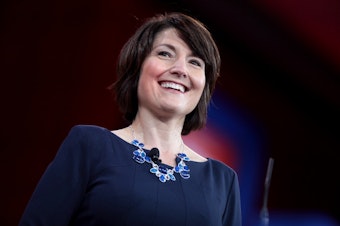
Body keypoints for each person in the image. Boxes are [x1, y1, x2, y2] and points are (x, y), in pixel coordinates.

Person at [19, 12, 242, 226]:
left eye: (195, 62)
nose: (181, 69)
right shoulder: (90, 145)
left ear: (204, 86)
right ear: (137, 68)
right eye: (165, 53)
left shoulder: (223, 181)